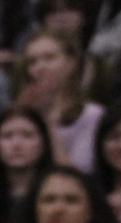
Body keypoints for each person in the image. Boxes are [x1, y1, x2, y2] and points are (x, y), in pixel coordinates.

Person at [20, 29, 103, 172]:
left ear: (71, 63)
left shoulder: (91, 115)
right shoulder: (23, 112)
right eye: (32, 62)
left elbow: (77, 174)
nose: (40, 67)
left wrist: (46, 121)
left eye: (49, 58)